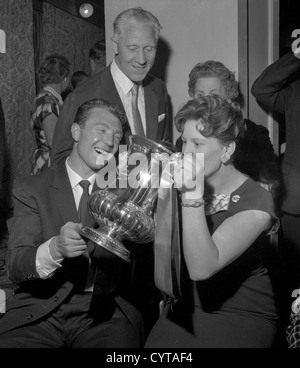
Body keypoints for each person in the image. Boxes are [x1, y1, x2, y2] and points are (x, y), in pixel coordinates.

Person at [0, 98, 143, 348]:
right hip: (40, 309)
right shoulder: (31, 188)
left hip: (102, 312)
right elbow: (16, 266)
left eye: (117, 135)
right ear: (76, 132)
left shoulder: (125, 193)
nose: (110, 141)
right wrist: (55, 248)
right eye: (101, 130)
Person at [145, 95, 280, 348]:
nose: (186, 153)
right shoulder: (178, 183)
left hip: (240, 316)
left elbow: (202, 267)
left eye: (198, 144)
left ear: (227, 150)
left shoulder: (257, 200)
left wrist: (191, 195)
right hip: (183, 309)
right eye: (184, 142)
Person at [51, 7, 172, 166]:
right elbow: (60, 162)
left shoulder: (158, 88)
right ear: (115, 45)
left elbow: (165, 148)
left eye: (149, 49)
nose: (141, 59)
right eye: (132, 48)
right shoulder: (81, 97)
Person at [177, 60, 282, 202]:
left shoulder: (254, 134)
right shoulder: (185, 141)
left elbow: (269, 186)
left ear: (229, 95)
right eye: (200, 95)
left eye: (214, 94)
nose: (206, 101)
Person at [251, 50, 300, 348]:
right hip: (296, 203)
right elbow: (261, 88)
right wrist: (295, 56)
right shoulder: (294, 92)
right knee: (293, 280)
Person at [30, 54, 70, 175]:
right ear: (65, 79)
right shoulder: (47, 101)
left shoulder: (50, 97)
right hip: (48, 164)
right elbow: (53, 141)